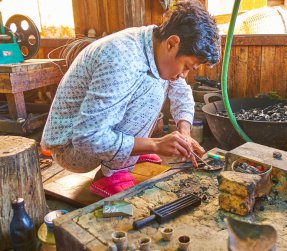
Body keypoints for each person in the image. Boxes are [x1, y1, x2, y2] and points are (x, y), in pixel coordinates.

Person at [41, 0, 221, 179]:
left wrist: (185, 134)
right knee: (152, 89)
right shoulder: (122, 60)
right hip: (71, 148)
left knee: (164, 79)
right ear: (172, 43)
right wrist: (155, 145)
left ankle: (129, 154)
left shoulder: (154, 42)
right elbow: (86, 137)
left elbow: (181, 91)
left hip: (88, 141)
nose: (184, 74)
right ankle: (113, 175)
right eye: (187, 66)